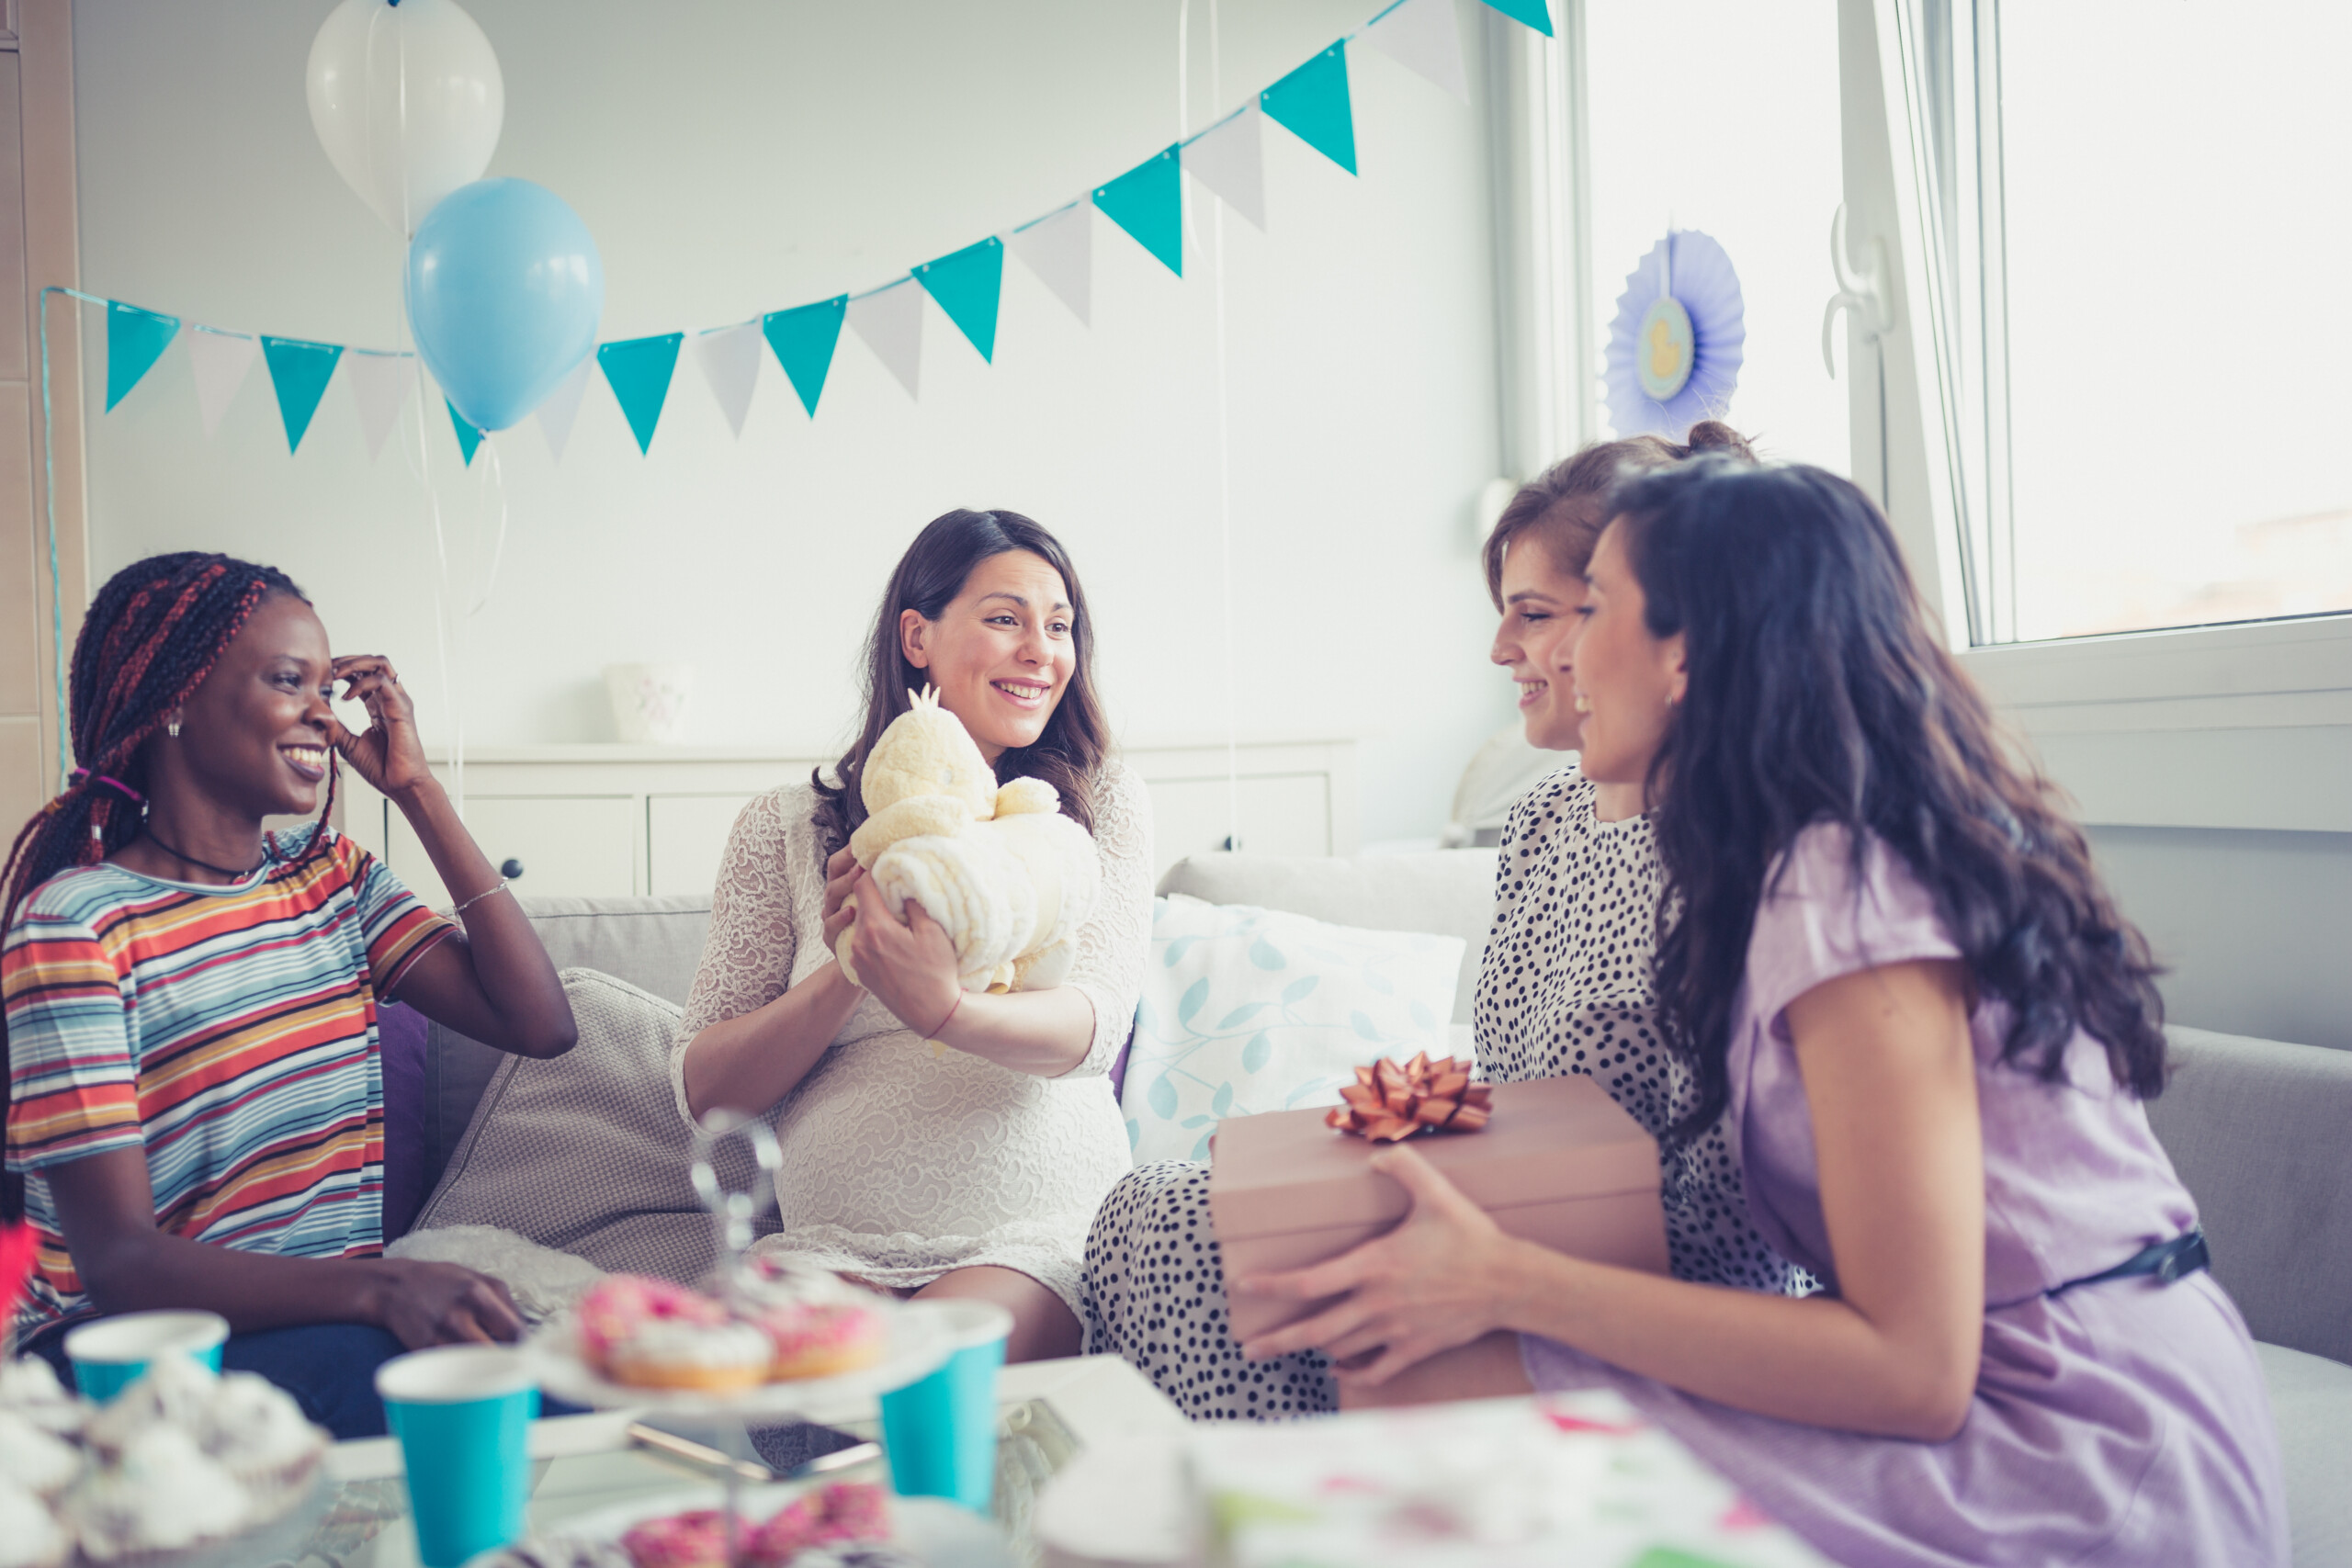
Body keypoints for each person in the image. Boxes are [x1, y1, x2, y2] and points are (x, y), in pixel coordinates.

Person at [1238, 459, 2286, 1564]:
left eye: (1594, 608)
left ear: (1685, 655)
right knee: (1414, 1360)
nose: (1559, 653)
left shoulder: (1845, 887)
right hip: (1992, 1382)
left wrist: (1509, 1279)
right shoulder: (1773, 866)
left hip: (2070, 1435)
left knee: (1440, 1365)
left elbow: (1913, 1371)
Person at [1082, 423, 1811, 1422]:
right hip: (1516, 1225)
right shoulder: (1545, 822)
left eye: (1536, 613)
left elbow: (1743, 1203)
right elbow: (1517, 1102)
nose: (1500, 648)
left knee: (1187, 1237)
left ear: (1659, 622)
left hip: (1651, 1291)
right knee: (1161, 1208)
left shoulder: (1758, 857)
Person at [3, 552, 577, 1438]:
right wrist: (385, 1285)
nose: (323, 710)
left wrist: (416, 789)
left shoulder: (329, 879)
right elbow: (118, 1262)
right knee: (482, 1409)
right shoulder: (75, 925)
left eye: (326, 684)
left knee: (572, 1400)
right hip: (127, 1353)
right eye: (286, 680)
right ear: (174, 701)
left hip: (326, 1329)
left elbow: (539, 1024)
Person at [673, 509, 1149, 1363]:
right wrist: (855, 964)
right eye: (1006, 618)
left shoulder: (1090, 806)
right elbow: (707, 1092)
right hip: (827, 1249)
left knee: (927, 1370)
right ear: (917, 636)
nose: (1042, 649)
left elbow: (1093, 1027)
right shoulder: (784, 829)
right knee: (737, 1373)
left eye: (1061, 624)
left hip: (1027, 1236)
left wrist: (944, 1008)